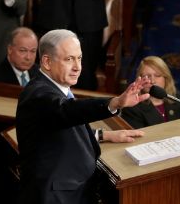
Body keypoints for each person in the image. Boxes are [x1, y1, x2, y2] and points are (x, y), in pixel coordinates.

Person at [16, 29, 147, 203]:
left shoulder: (57, 88)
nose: (77, 67)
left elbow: (62, 128)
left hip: (74, 190)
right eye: (69, 59)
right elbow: (68, 111)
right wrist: (115, 103)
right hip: (56, 196)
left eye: (79, 58)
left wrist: (105, 135)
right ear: (47, 62)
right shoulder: (39, 94)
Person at [120, 56, 180, 128]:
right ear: (139, 79)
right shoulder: (131, 107)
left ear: (166, 78)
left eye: (157, 75)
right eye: (147, 76)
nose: (153, 81)